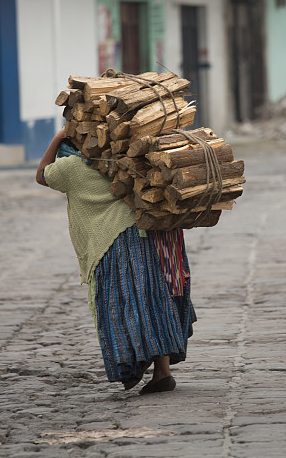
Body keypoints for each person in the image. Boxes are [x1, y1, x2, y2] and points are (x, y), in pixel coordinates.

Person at [36, 126, 195, 394]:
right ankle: (162, 372)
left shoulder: (73, 168)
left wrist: (58, 136)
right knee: (156, 299)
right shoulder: (134, 159)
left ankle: (134, 364)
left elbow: (41, 175)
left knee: (124, 306)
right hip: (153, 236)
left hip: (113, 244)